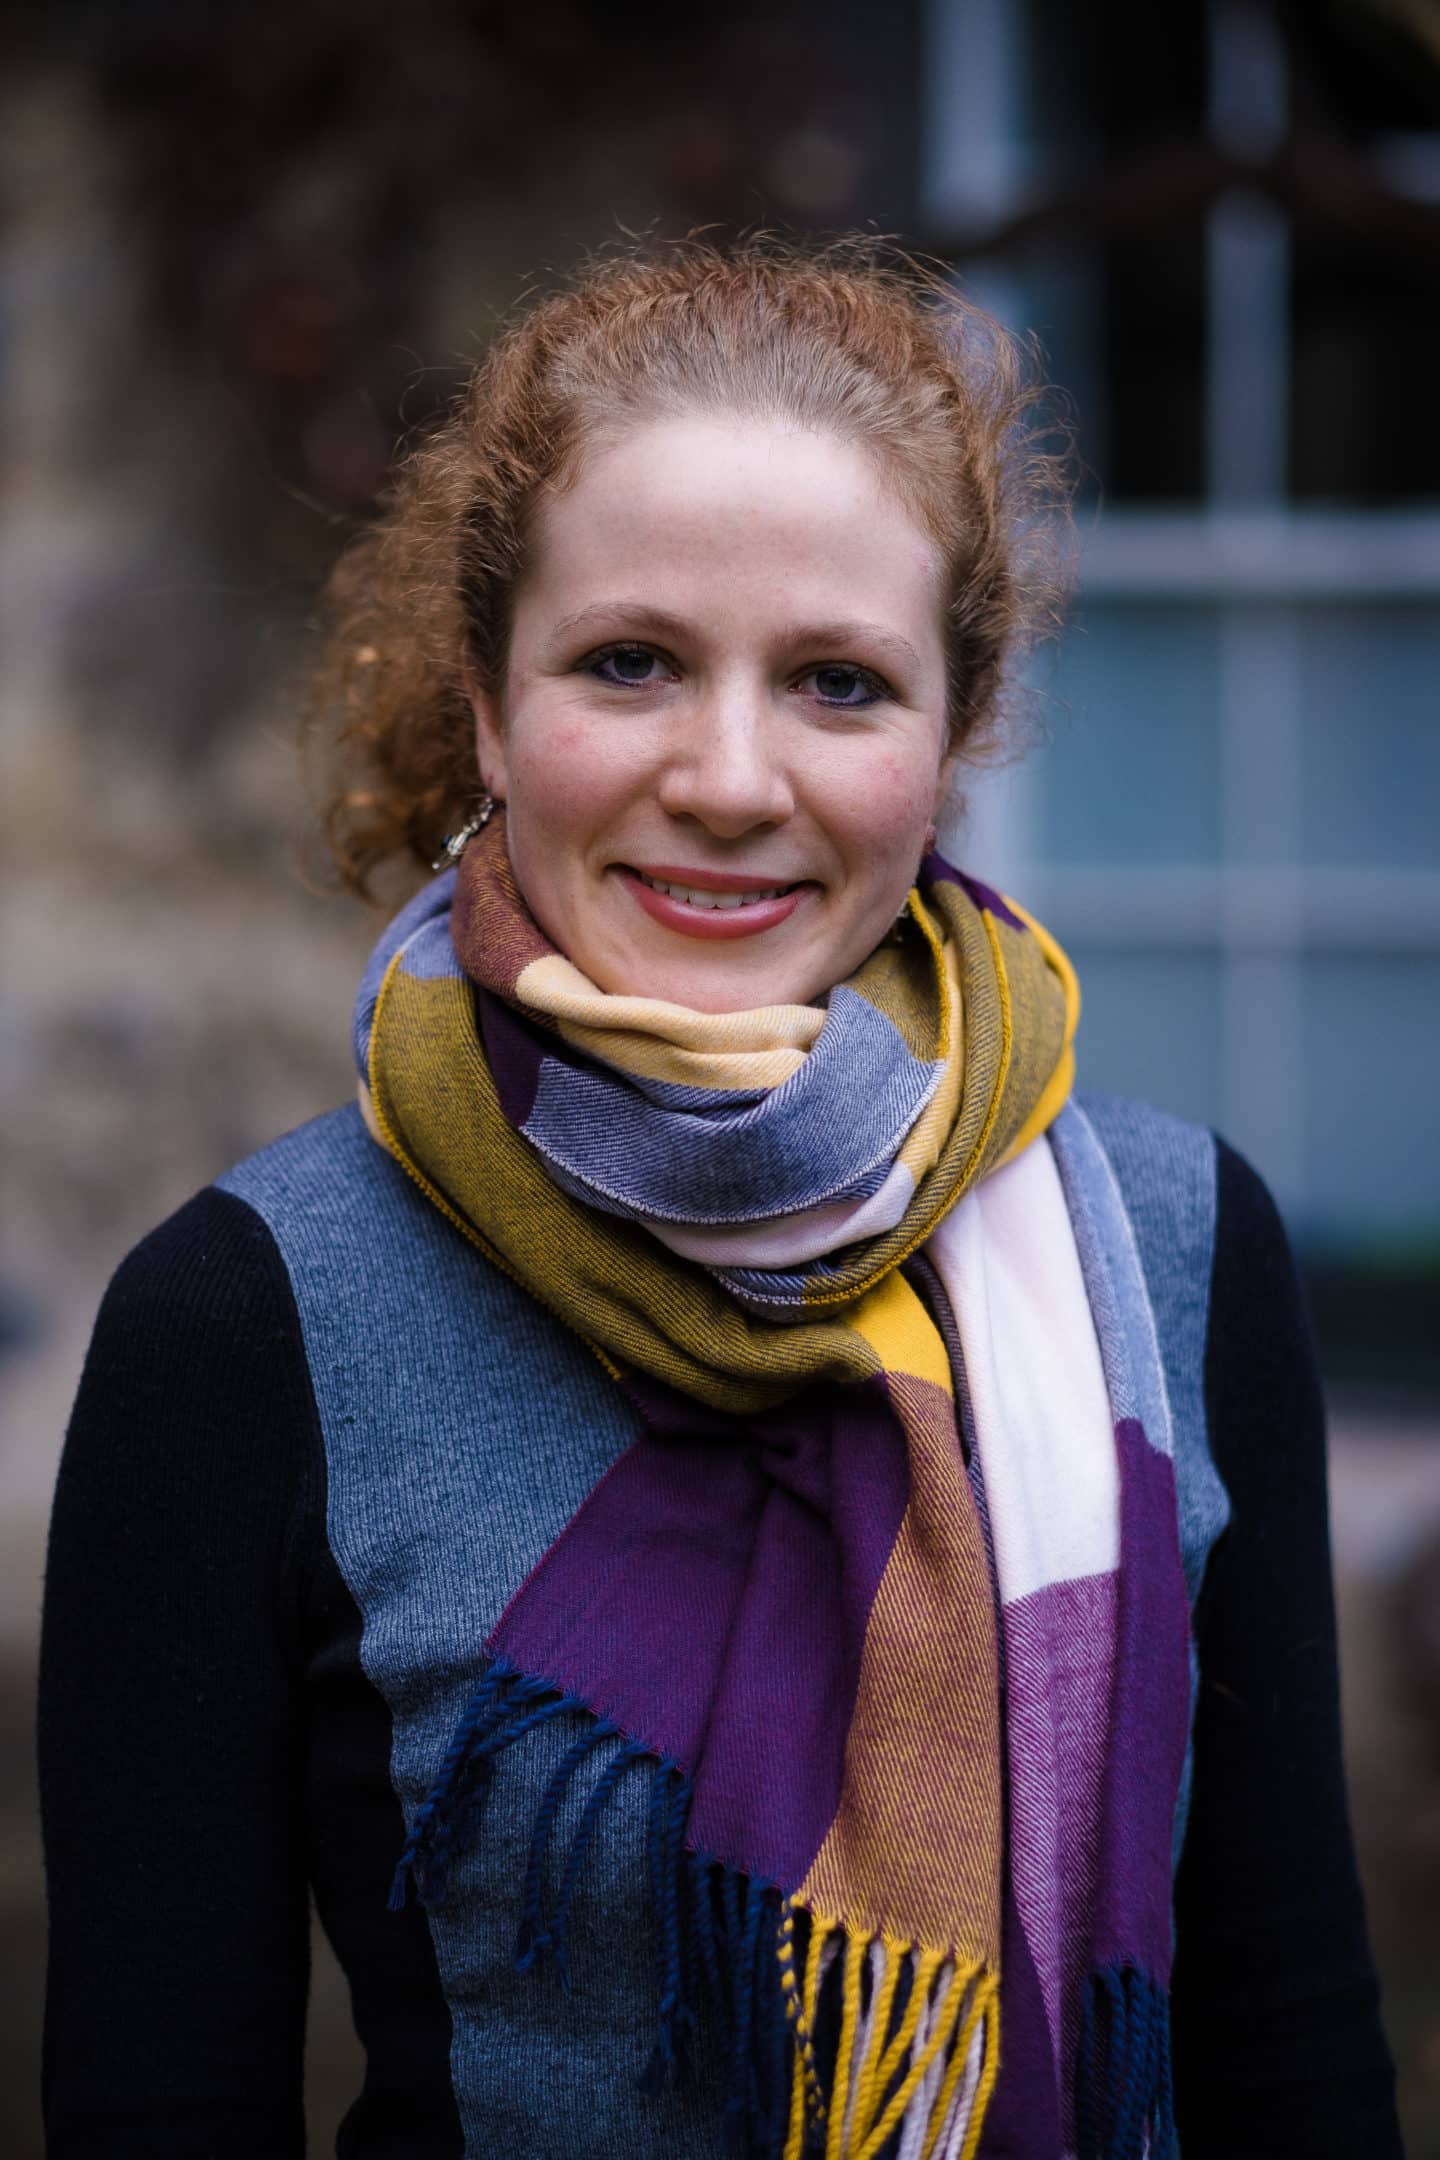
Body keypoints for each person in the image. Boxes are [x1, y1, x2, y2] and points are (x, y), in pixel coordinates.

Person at [39, 238, 1403, 2160]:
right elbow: (155, 2102)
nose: (734, 776)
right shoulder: (250, 1317)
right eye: (631, 663)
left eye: (840, 683)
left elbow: (1292, 2046)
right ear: (494, 716)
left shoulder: (1180, 1247)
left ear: (953, 739)